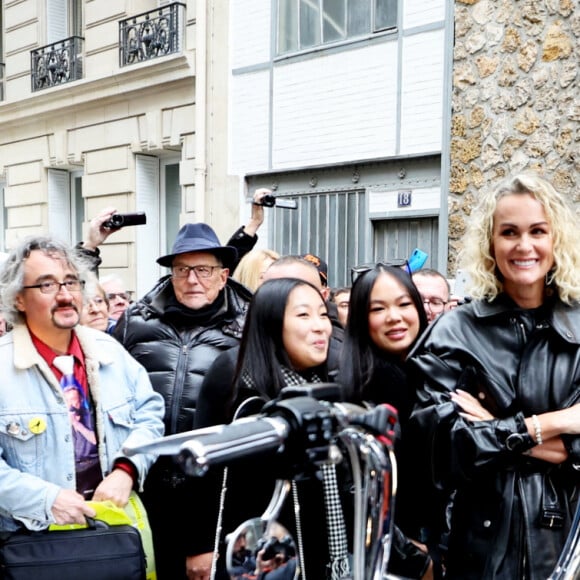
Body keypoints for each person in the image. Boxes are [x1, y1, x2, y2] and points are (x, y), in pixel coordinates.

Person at [407, 172, 580, 579]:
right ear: (491, 242)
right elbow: (443, 452)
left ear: (556, 238)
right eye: (509, 232)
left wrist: (494, 429)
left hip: (570, 546)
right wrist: (549, 424)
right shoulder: (455, 331)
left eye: (538, 230)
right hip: (483, 551)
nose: (524, 246)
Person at [113, 222, 253, 580]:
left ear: (223, 276)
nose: (192, 280)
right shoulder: (134, 322)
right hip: (142, 483)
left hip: (214, 490)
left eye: (203, 270)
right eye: (182, 270)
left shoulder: (248, 327)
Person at [0, 235, 164, 535]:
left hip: (113, 531)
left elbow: (149, 413)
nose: (64, 295)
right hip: (30, 544)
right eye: (47, 285)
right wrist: (47, 499)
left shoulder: (109, 352)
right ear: (18, 299)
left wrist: (127, 469)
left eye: (71, 282)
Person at [193, 277, 333, 579]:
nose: (321, 326)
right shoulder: (233, 377)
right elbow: (203, 469)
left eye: (323, 314)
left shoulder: (323, 389)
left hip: (313, 548)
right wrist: (201, 546)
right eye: (304, 315)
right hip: (251, 552)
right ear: (270, 324)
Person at [337, 263, 434, 579]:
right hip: (394, 557)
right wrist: (414, 559)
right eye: (378, 309)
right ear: (361, 320)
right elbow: (359, 492)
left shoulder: (425, 373)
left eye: (404, 304)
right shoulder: (371, 383)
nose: (395, 317)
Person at [262, 254, 343, 374]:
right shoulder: (233, 369)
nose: (319, 327)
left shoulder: (347, 367)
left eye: (322, 315)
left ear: (323, 296)